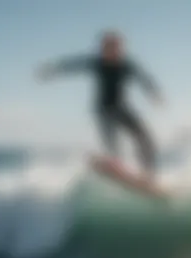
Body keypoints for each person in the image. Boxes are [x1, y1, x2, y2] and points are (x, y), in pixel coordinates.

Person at [36, 30, 164, 182]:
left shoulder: (127, 65)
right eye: (106, 48)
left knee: (144, 137)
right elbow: (72, 65)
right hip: (103, 111)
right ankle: (116, 166)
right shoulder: (97, 63)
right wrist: (52, 70)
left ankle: (149, 174)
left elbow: (144, 78)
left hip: (122, 109)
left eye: (114, 48)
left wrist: (154, 93)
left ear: (120, 49)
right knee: (112, 144)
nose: (108, 52)